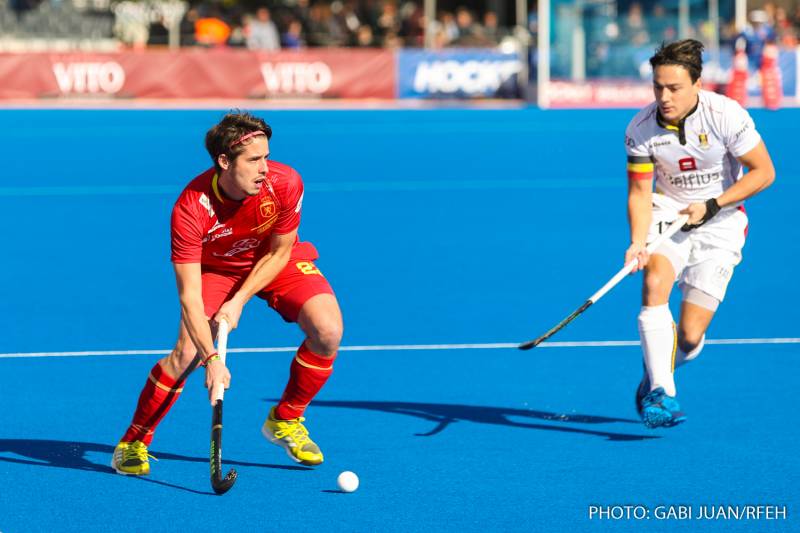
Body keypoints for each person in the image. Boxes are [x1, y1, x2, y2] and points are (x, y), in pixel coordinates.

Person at [112, 111, 343, 475]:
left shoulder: (285, 182)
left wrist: (238, 302)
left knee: (328, 330)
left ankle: (285, 419)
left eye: (266, 156)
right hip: (216, 269)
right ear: (224, 161)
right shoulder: (190, 208)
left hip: (271, 260)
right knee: (186, 353)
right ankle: (134, 441)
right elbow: (189, 296)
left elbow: (280, 251)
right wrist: (212, 360)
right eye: (254, 160)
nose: (265, 168)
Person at [624, 40, 775, 429]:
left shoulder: (725, 114)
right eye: (657, 87)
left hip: (722, 222)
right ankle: (662, 391)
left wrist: (712, 204)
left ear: (697, 84)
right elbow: (640, 192)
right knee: (654, 281)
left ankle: (657, 372)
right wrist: (638, 243)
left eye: (673, 88)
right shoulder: (640, 129)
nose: (664, 96)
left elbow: (763, 173)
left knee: (689, 337)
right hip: (668, 215)